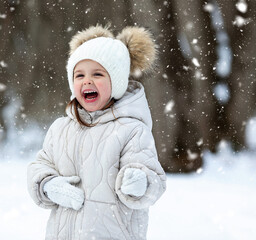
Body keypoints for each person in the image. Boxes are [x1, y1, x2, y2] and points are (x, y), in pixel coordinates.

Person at [27, 25, 166, 240]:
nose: (87, 81)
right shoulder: (60, 129)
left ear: (117, 82)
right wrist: (47, 185)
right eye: (79, 75)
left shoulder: (131, 130)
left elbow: (153, 179)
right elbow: (40, 165)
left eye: (98, 74)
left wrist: (140, 182)